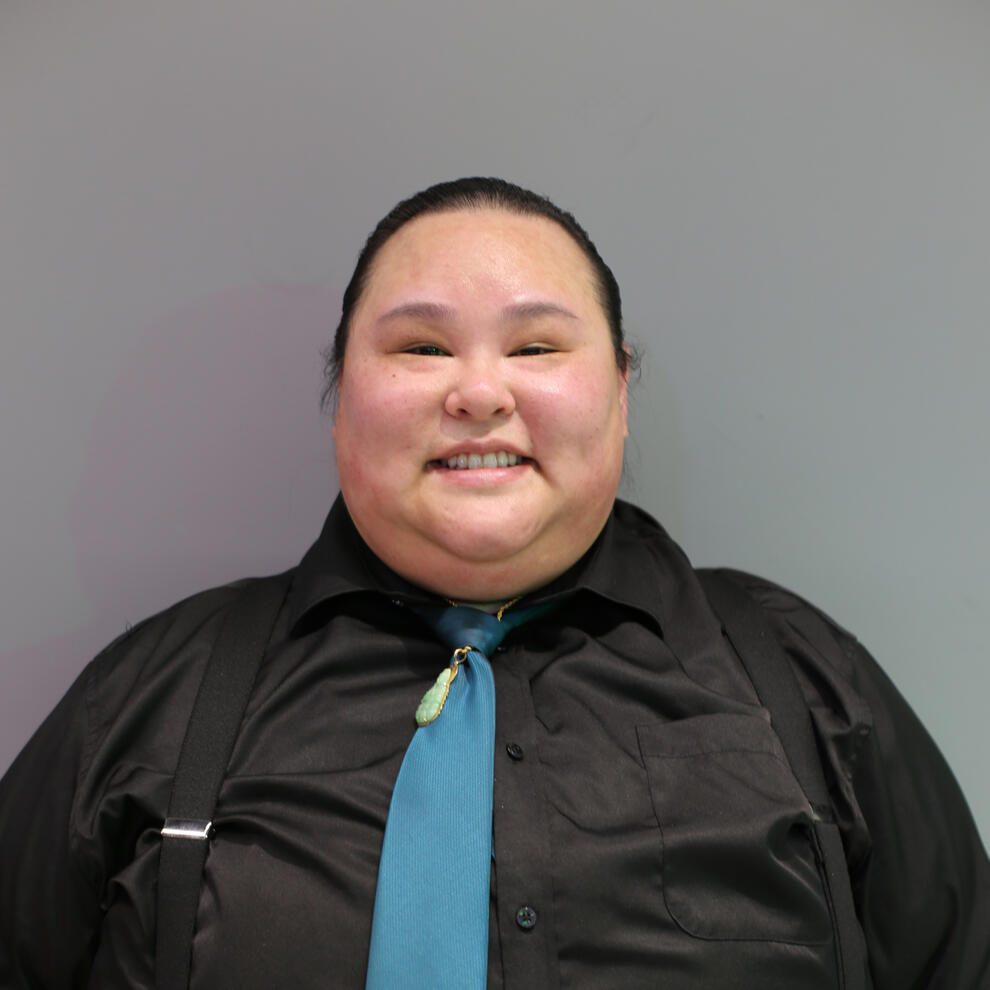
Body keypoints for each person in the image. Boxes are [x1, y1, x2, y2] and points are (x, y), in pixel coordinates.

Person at [1, 177, 988, 989]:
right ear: (342, 401)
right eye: (421, 348)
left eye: (536, 347)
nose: (480, 392)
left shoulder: (803, 681)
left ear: (619, 393)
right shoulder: (154, 697)